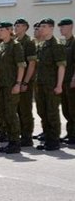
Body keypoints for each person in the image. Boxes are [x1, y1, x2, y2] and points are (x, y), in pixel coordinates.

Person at [0, 21, 25, 154]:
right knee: (5, 113)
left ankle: (15, 142)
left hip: (11, 85)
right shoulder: (1, 46)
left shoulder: (15, 46)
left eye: (2, 30)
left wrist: (18, 83)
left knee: (11, 114)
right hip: (2, 85)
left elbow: (21, 66)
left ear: (9, 30)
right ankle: (10, 140)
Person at [35, 18, 67, 151]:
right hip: (41, 84)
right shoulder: (42, 44)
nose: (41, 29)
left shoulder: (57, 45)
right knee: (42, 112)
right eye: (40, 26)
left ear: (51, 28)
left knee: (52, 112)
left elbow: (61, 66)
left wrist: (59, 85)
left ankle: (53, 141)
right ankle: (47, 138)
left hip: (52, 85)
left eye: (44, 27)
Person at [14, 18, 38, 147]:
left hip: (25, 82)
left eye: (18, 26)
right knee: (17, 109)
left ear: (25, 27)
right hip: (16, 81)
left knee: (25, 109)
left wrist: (25, 82)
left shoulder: (28, 42)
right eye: (15, 25)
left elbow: (32, 64)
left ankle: (27, 136)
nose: (16, 28)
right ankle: (20, 134)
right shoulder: (16, 42)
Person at [58, 18, 75, 145]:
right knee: (66, 109)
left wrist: (74, 78)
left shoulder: (74, 43)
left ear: (70, 27)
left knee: (73, 108)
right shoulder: (65, 43)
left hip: (71, 80)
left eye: (63, 27)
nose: (61, 29)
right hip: (64, 80)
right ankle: (70, 133)